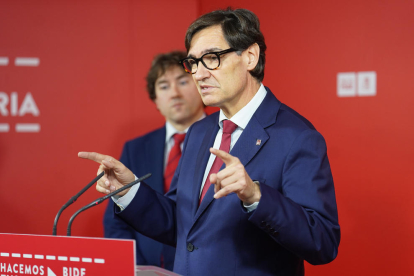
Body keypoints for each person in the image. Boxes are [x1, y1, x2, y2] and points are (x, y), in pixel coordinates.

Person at [79, 8, 340, 276]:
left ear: (250, 56)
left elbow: (323, 242)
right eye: (193, 63)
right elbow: (180, 224)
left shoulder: (297, 137)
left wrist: (256, 196)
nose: (199, 75)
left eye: (212, 58)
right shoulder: (200, 131)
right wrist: (129, 190)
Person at [103, 51, 205, 270]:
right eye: (164, 86)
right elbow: (115, 222)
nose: (175, 93)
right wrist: (138, 269)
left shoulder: (225, 138)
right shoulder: (135, 149)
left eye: (183, 81)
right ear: (155, 99)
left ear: (201, 85)